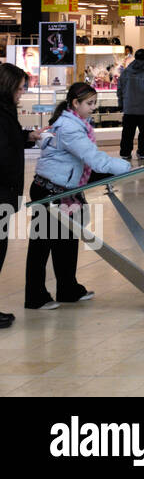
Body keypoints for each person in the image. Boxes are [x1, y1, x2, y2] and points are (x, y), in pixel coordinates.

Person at [25, 83, 132, 310]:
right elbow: (93, 158)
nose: (93, 108)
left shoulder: (76, 123)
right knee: (42, 246)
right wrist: (125, 166)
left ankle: (68, 288)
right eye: (89, 104)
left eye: (95, 103)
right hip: (50, 191)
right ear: (75, 104)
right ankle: (35, 296)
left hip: (65, 191)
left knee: (67, 241)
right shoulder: (70, 128)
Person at [0, 63, 42, 327]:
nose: (21, 94)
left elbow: (9, 140)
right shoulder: (1, 113)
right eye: (19, 89)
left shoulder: (5, 111)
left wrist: (27, 136)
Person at [116, 48, 144, 160]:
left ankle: (125, 153)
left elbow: (119, 89)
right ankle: (143, 153)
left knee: (127, 133)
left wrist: (121, 103)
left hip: (129, 108)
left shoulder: (125, 72)